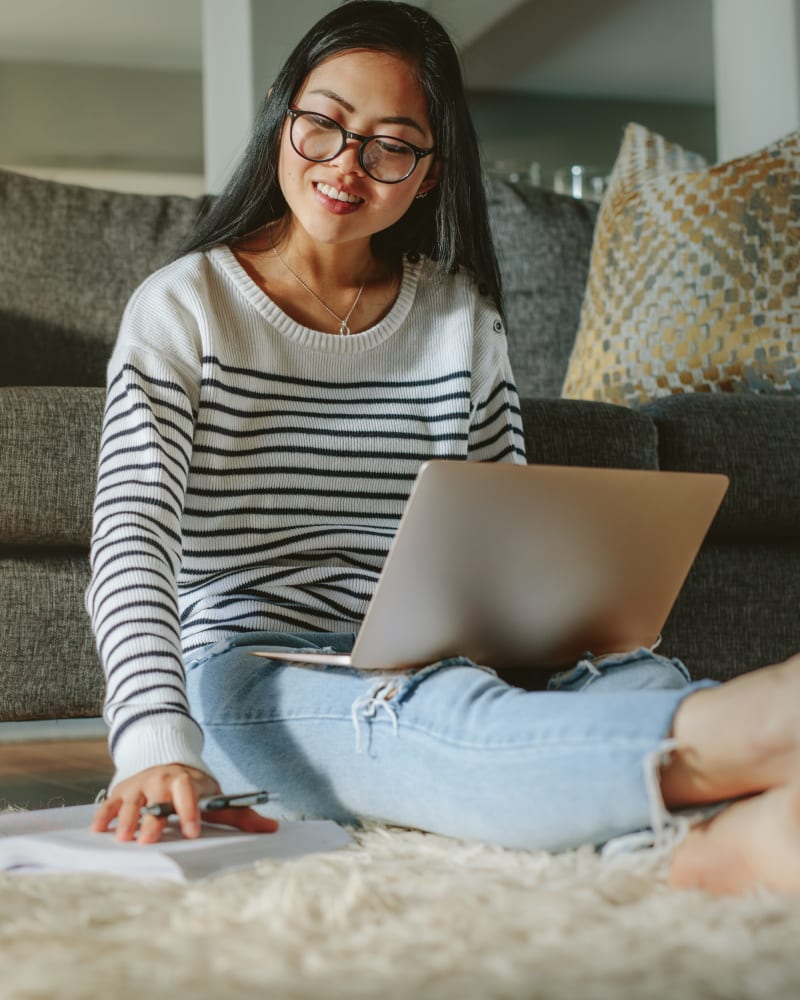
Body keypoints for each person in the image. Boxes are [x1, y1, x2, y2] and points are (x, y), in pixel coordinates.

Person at [88, 0, 800, 896]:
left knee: (622, 675)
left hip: (433, 647)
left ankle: (713, 849)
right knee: (438, 713)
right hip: (253, 667)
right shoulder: (182, 305)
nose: (348, 166)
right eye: (325, 125)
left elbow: (502, 526)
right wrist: (153, 744)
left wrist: (543, 644)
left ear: (428, 174)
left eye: (391, 144)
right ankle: (759, 732)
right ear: (283, 114)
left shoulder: (461, 315)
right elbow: (130, 539)